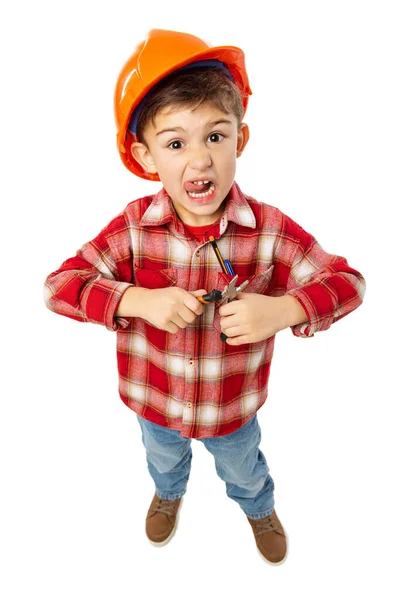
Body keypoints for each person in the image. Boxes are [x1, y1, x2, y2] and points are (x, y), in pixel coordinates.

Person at [44, 29, 366, 565]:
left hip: (231, 411)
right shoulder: (131, 229)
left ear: (240, 140)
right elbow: (59, 286)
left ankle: (257, 506)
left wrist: (285, 310)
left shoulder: (269, 231)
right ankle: (169, 496)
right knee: (163, 460)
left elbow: (348, 283)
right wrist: (133, 300)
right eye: (176, 143)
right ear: (146, 156)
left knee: (244, 467)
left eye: (215, 137)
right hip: (156, 404)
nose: (199, 161)